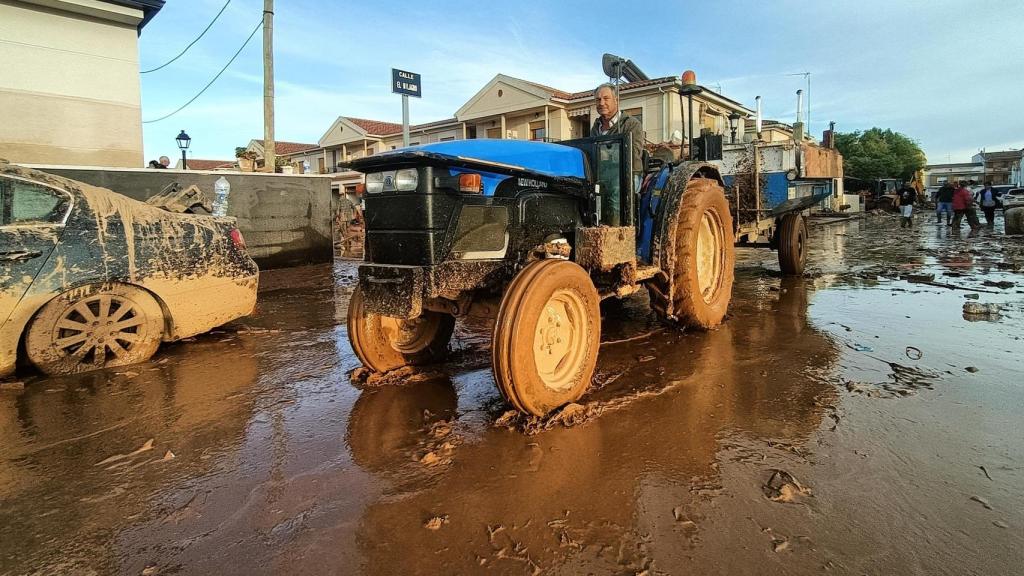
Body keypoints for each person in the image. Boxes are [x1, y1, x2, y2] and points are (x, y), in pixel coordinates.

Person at [592, 83, 644, 192]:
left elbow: (632, 154)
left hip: (626, 174)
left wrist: (604, 153)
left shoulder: (631, 124)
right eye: (598, 99)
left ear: (616, 100)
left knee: (615, 194)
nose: (601, 103)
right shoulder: (596, 127)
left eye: (606, 98)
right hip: (602, 175)